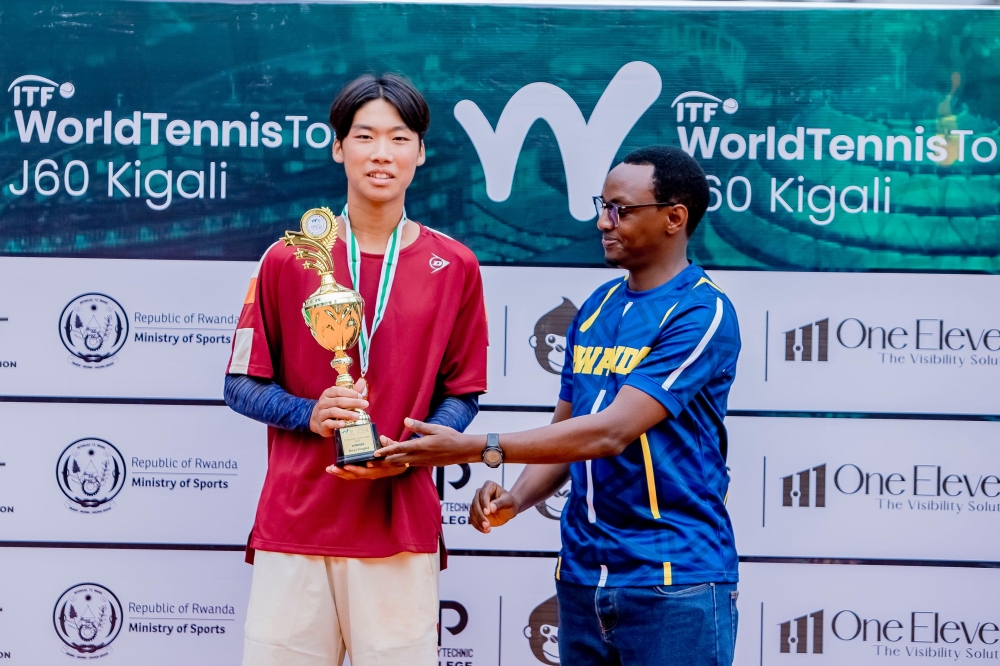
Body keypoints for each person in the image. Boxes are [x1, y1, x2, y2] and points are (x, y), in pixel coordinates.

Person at [374, 146, 741, 666]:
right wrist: (517, 499)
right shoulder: (595, 308)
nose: (602, 221)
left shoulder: (703, 312)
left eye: (620, 209)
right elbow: (569, 435)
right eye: (602, 205)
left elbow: (611, 432)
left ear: (674, 218)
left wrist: (477, 447)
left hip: (674, 582)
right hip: (582, 578)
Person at [224, 73, 488, 666]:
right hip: (296, 523)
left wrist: (416, 443)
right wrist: (308, 413)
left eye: (399, 138)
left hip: (399, 525)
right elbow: (239, 382)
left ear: (421, 152)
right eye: (364, 136)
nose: (381, 153)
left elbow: (464, 392)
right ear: (338, 146)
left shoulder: (457, 265)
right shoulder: (290, 257)